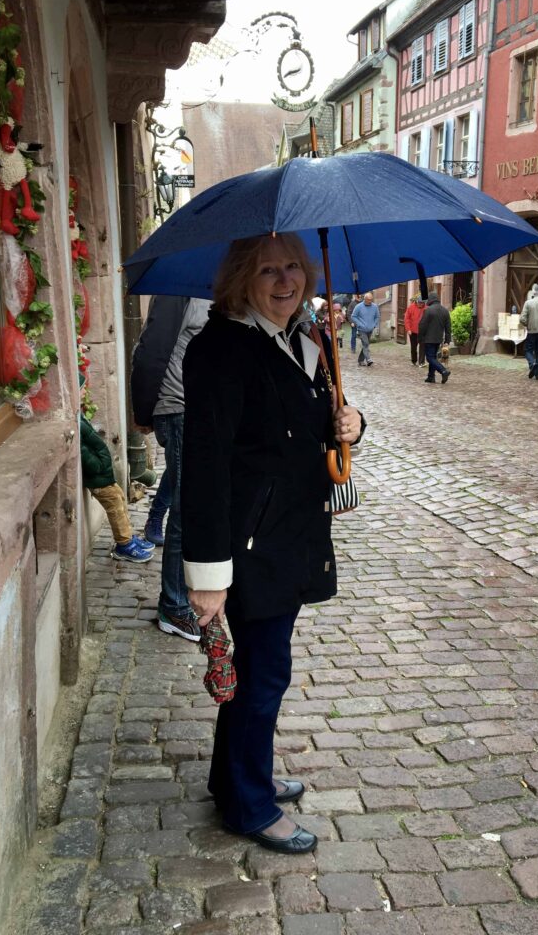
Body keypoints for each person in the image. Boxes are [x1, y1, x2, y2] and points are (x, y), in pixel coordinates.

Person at [180, 233, 364, 855]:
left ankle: (231, 778)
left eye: (293, 266)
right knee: (263, 677)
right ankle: (250, 806)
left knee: (260, 672)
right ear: (241, 278)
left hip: (290, 532)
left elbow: (311, 422)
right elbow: (202, 466)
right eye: (268, 270)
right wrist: (208, 572)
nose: (285, 280)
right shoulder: (222, 348)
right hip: (250, 543)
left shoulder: (301, 337)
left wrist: (352, 423)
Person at [131, 296, 210, 641]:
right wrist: (145, 409)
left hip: (199, 407)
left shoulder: (215, 283)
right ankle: (174, 606)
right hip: (178, 408)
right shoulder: (179, 289)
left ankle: (185, 595)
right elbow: (150, 349)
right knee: (186, 508)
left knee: (190, 500)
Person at [80, 413, 153, 563]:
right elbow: (84, 451)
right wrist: (99, 465)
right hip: (98, 478)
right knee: (115, 508)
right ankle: (124, 545)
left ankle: (128, 536)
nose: (83, 391)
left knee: (120, 499)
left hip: (104, 475)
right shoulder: (76, 422)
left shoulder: (79, 416)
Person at [418, 291, 451, 384]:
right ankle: (431, 377)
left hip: (428, 339)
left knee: (430, 358)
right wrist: (447, 340)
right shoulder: (445, 311)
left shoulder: (428, 310)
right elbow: (448, 327)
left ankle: (443, 371)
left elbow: (422, 325)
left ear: (430, 300)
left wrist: (420, 338)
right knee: (433, 357)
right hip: (438, 339)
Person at [351, 291, 380, 366]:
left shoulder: (375, 307)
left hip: (370, 329)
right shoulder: (358, 306)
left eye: (371, 300)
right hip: (361, 329)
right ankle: (368, 359)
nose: (370, 301)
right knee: (366, 343)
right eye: (368, 300)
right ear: (365, 299)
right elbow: (353, 316)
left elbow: (377, 316)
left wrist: (374, 324)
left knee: (365, 345)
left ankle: (360, 360)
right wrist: (359, 324)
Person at [403, 294, 426, 367]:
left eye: (422, 303)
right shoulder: (411, 307)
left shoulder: (426, 308)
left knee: (422, 347)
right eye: (420, 303)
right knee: (413, 347)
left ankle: (421, 362)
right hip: (413, 331)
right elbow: (407, 319)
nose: (421, 304)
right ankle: (414, 360)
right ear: (417, 301)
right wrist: (408, 329)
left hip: (423, 332)